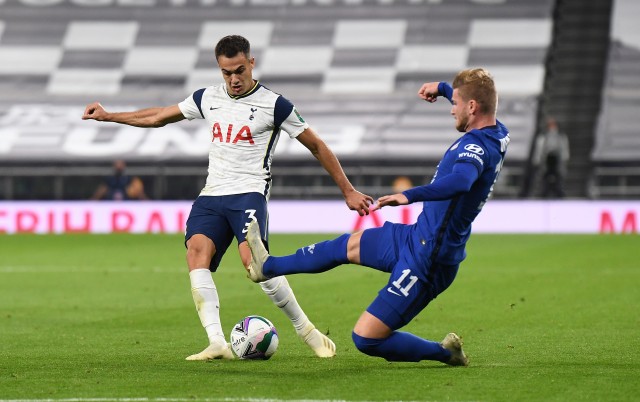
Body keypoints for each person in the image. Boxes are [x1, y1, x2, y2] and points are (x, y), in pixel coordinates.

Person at [82, 35, 373, 361]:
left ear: (251, 63)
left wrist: (347, 190)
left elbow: (317, 145)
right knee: (196, 252)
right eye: (225, 72)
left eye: (238, 70)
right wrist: (108, 116)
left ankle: (307, 331)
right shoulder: (208, 97)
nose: (233, 79)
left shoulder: (275, 104)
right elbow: (158, 117)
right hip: (212, 195)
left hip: (248, 192)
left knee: (256, 266)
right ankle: (217, 342)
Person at [246, 68, 510, 366]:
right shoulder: (497, 131)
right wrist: (442, 87)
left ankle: (443, 352)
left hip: (430, 260)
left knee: (366, 338)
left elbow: (461, 181)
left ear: (472, 107)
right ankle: (267, 267)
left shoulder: (475, 147)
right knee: (346, 246)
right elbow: (471, 98)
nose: (452, 110)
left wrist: (408, 195)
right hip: (416, 236)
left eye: (456, 103)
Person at [533, 117, 570, 198]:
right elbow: (539, 149)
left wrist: (564, 159)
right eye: (550, 125)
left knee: (558, 177)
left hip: (557, 160)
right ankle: (544, 192)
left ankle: (559, 192)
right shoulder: (543, 137)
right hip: (546, 160)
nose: (552, 128)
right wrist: (538, 160)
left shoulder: (561, 137)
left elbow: (564, 148)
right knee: (545, 177)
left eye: (553, 125)